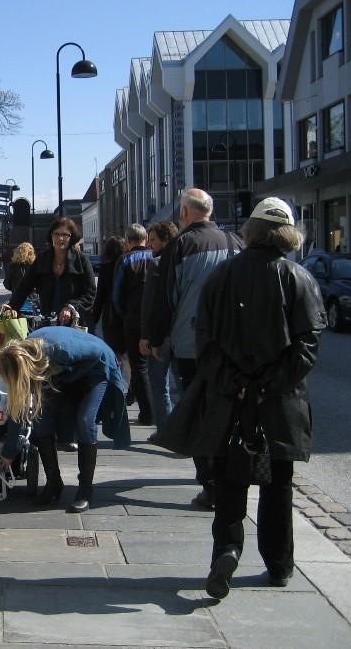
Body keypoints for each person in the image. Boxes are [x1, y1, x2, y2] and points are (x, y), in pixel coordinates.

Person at [193, 197, 326, 599]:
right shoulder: (297, 277)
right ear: (287, 235)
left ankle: (228, 550)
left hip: (231, 398)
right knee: (278, 484)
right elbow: (308, 343)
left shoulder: (221, 277)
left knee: (231, 480)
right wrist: (270, 382)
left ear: (250, 231)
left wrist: (236, 381)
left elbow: (205, 341)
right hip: (279, 400)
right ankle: (279, 563)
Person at [148, 188, 242, 510]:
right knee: (228, 412)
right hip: (232, 346)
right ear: (210, 211)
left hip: (191, 347)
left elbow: (165, 298)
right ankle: (229, 477)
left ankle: (210, 483)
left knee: (198, 412)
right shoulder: (235, 243)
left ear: (185, 213)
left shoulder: (181, 245)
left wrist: (157, 340)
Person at [0, 327, 129, 512]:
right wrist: (10, 451)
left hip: (97, 367)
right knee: (40, 420)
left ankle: (85, 491)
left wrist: (71, 383)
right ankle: (54, 482)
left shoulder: (57, 350)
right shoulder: (28, 359)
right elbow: (19, 409)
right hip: (64, 371)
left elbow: (97, 354)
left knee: (85, 420)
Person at [5, 217, 97, 328]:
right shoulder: (42, 259)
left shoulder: (81, 260)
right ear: (51, 236)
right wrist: (12, 306)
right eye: (56, 234)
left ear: (71, 237)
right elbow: (24, 286)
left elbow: (91, 292)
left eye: (65, 235)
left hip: (75, 324)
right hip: (48, 322)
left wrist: (72, 306)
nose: (60, 238)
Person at [139, 221, 179, 442]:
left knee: (159, 382)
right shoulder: (182, 259)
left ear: (164, 239)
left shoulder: (156, 264)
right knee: (182, 385)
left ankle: (166, 430)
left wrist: (146, 335)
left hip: (160, 335)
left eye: (153, 239)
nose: (150, 244)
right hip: (182, 331)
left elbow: (150, 303)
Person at [112, 224, 154, 426]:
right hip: (157, 318)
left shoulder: (125, 260)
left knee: (139, 367)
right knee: (159, 368)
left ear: (128, 241)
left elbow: (116, 294)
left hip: (133, 319)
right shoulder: (157, 256)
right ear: (145, 238)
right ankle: (162, 411)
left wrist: (122, 314)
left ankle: (147, 412)